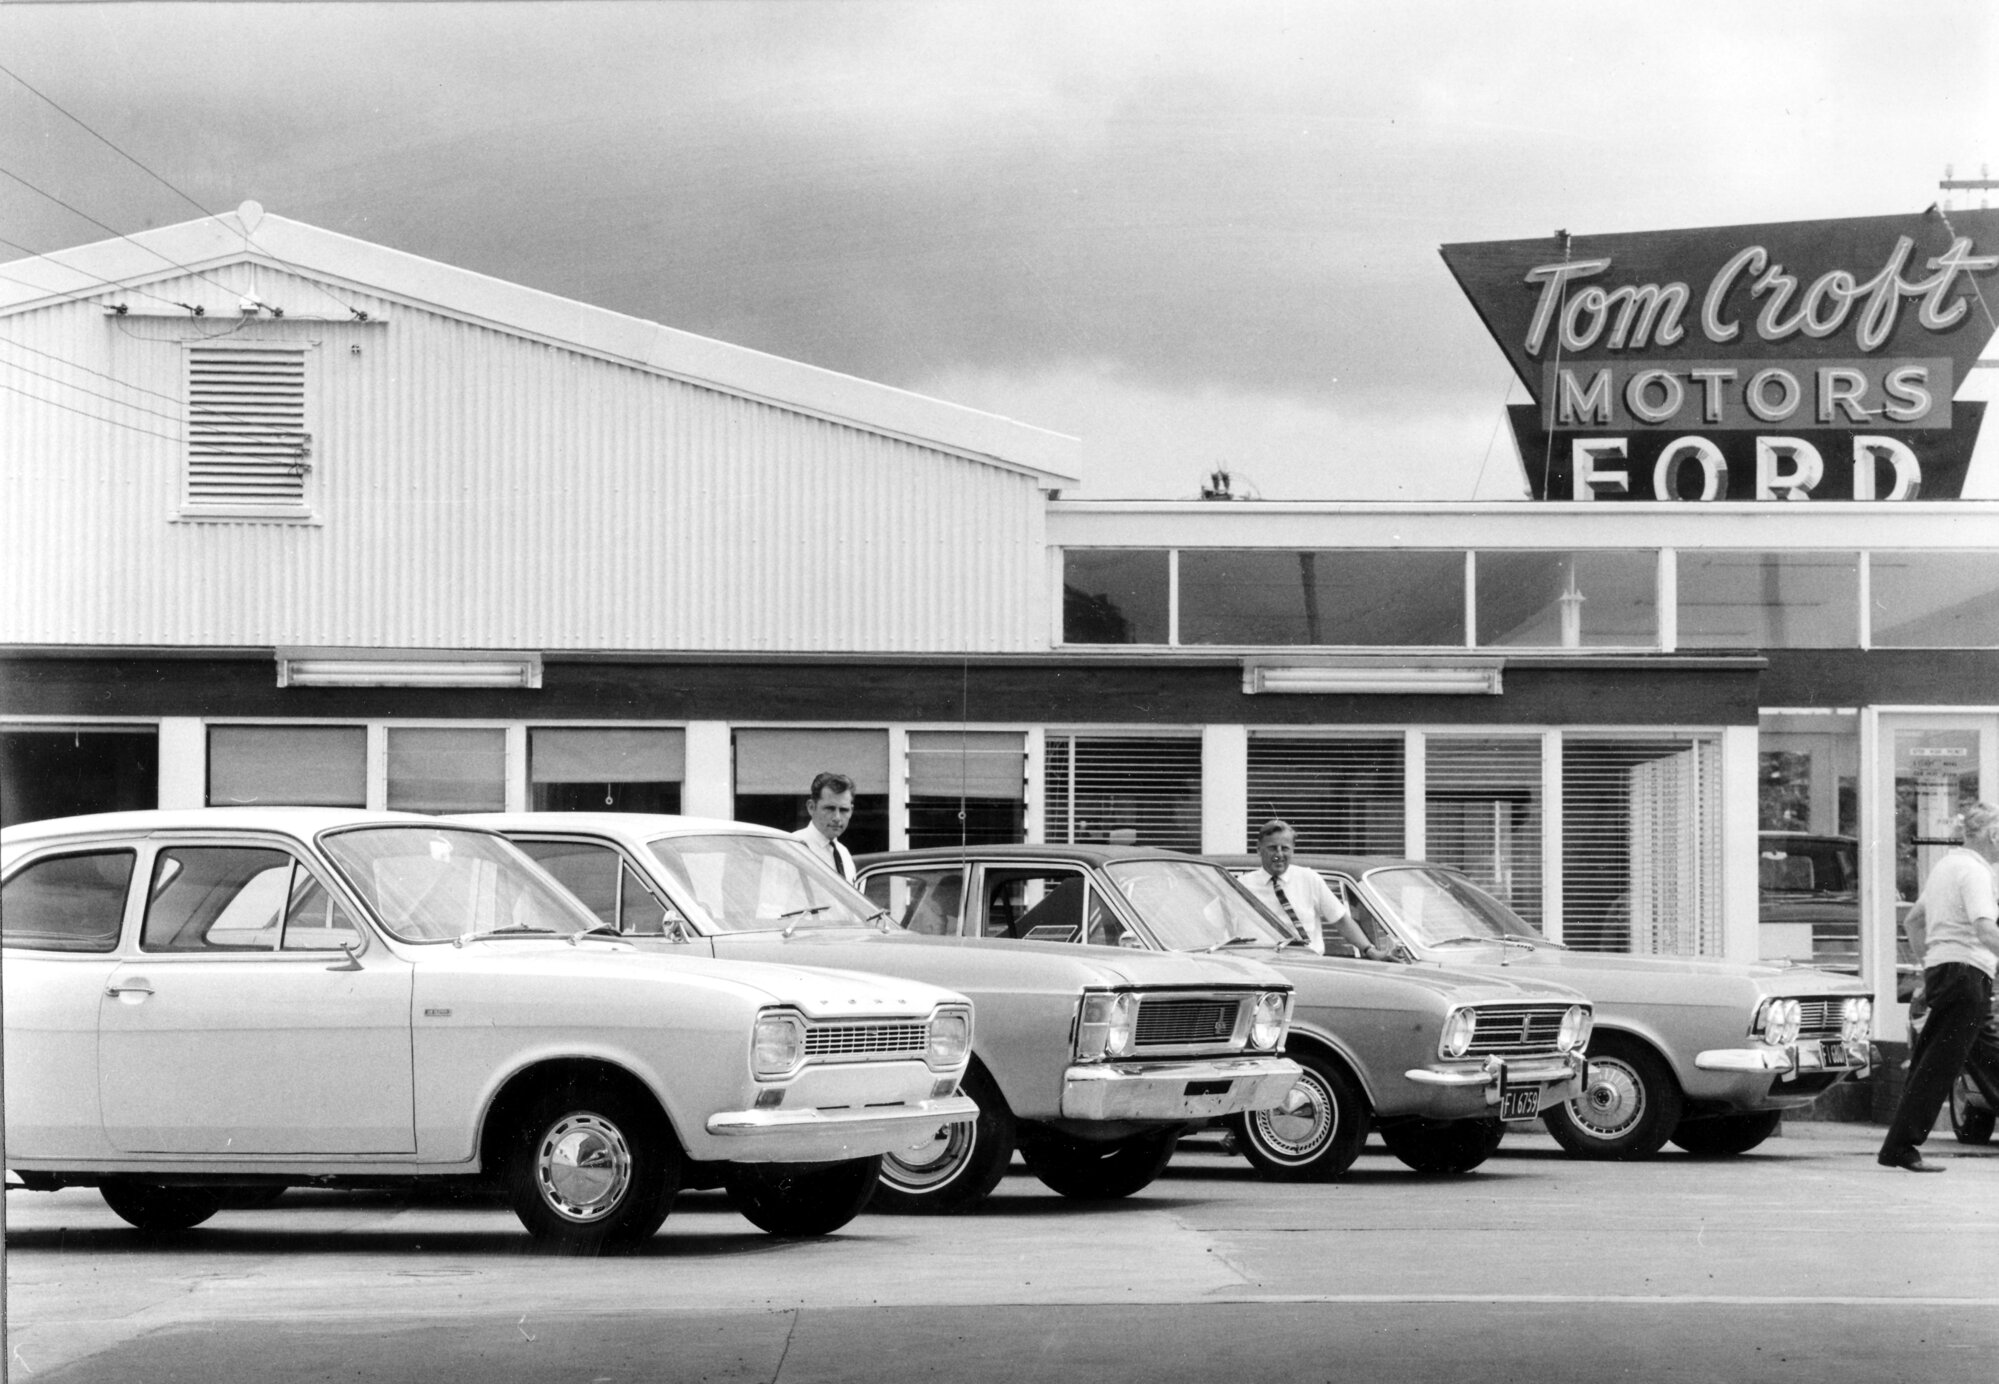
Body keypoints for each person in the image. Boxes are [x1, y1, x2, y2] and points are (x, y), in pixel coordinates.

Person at [1877, 801, 1999, 1172]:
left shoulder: (1946, 866)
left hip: (1946, 973)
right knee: (1939, 1065)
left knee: (1970, 1056)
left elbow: (1914, 921)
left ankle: (1898, 1146)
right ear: (1994, 835)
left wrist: (1928, 963)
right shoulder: (1977, 873)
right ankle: (1900, 1147)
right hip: (1967, 975)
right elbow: (1984, 928)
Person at [1236, 819, 1391, 959]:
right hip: (1263, 965)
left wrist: (1370, 950)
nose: (1279, 855)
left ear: (1293, 850)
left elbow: (1341, 920)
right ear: (1258, 850)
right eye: (1272, 849)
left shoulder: (1309, 879)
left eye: (1285, 848)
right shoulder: (1240, 886)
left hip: (1308, 964)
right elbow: (1214, 923)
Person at [793, 770, 857, 883]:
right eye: (829, 808)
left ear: (851, 811)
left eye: (843, 810)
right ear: (811, 807)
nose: (837, 817)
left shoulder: (844, 854)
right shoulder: (793, 848)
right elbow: (772, 899)